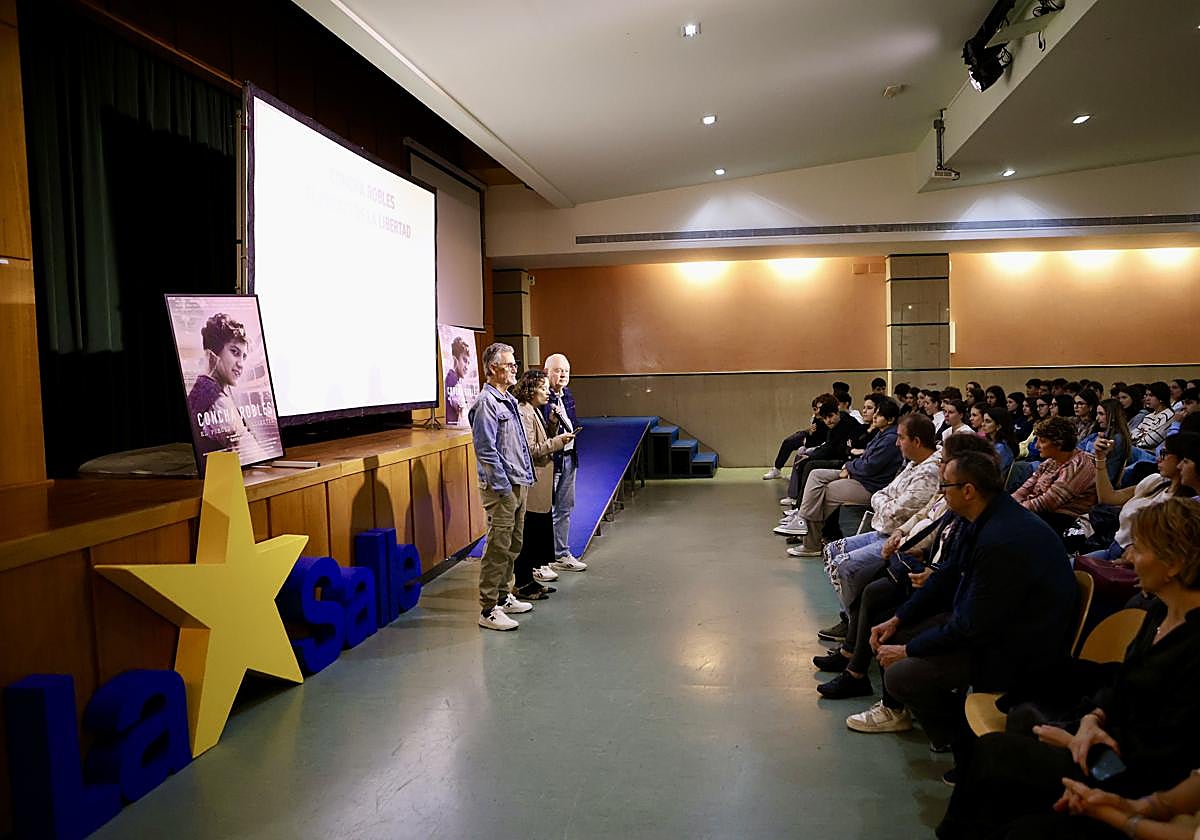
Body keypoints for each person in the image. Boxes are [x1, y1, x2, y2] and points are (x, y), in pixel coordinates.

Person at [938, 498, 1200, 839]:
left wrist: (1079, 745)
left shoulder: (1193, 650)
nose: (1129, 557)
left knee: (1003, 777)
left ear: (1174, 564)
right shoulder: (1159, 612)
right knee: (995, 756)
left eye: (1141, 549)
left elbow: (1161, 763)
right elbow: (1122, 684)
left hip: (1127, 777)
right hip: (1105, 751)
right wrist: (1092, 720)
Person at [844, 450, 1076, 782]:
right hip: (991, 626)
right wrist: (898, 619)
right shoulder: (981, 517)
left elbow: (973, 627)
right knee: (895, 635)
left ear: (968, 490)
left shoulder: (1003, 538)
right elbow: (946, 577)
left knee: (901, 674)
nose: (941, 492)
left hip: (1020, 647)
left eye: (945, 486)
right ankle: (946, 728)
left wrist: (909, 651)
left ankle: (964, 744)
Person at [470, 343, 536, 631]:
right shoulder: (486, 403)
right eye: (509, 365)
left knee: (513, 544)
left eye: (514, 364)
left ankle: (503, 595)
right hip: (502, 488)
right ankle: (488, 609)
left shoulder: (506, 399)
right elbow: (485, 450)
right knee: (498, 545)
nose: (514, 369)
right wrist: (504, 488)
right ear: (492, 368)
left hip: (517, 482)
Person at [787, 400, 903, 555]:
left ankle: (812, 543)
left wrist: (849, 467)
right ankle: (802, 521)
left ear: (890, 419)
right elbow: (860, 457)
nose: (874, 416)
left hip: (870, 485)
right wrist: (849, 466)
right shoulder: (881, 434)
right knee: (816, 474)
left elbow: (869, 466)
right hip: (860, 475)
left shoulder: (889, 439)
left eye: (878, 414)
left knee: (825, 492)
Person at [513, 370, 575, 601]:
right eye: (542, 387)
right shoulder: (524, 412)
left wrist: (551, 426)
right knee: (528, 536)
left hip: (542, 482)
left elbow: (539, 440)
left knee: (536, 534)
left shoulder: (535, 411)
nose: (547, 392)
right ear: (530, 389)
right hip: (535, 483)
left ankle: (530, 580)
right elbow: (530, 450)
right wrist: (558, 442)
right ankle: (523, 583)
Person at [186, 312, 263, 459]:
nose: (241, 364)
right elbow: (252, 455)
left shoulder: (207, 388)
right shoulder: (216, 400)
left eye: (244, 356)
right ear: (214, 353)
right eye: (234, 352)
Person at [1012, 416, 1098, 533]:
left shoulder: (1078, 465)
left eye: (1042, 441)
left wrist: (1014, 510)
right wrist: (1009, 503)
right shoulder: (1051, 461)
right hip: (1040, 514)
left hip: (1064, 521)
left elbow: (1048, 502)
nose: (1037, 446)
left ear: (1059, 443)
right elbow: (1026, 488)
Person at [542, 353, 586, 572]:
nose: (563, 375)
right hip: (551, 460)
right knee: (544, 510)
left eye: (566, 371)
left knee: (565, 507)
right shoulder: (542, 398)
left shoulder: (567, 395)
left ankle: (561, 553)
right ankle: (541, 560)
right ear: (546, 372)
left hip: (570, 457)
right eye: (558, 370)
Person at [1132, 383, 1174, 451]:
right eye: (1146, 395)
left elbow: (1150, 441)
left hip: (1150, 453)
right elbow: (1132, 434)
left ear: (1161, 398)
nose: (1147, 399)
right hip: (1137, 448)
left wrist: (1138, 438)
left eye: (1151, 395)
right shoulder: (1148, 416)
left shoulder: (1168, 415)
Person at [979, 405, 1019, 474]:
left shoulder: (1001, 448)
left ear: (998, 426)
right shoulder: (991, 442)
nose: (983, 424)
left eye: (987, 421)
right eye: (983, 421)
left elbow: (989, 472)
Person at [444, 336, 475, 426]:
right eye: (464, 360)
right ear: (455, 359)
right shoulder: (452, 379)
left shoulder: (454, 379)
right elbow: (462, 411)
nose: (467, 367)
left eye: (468, 363)